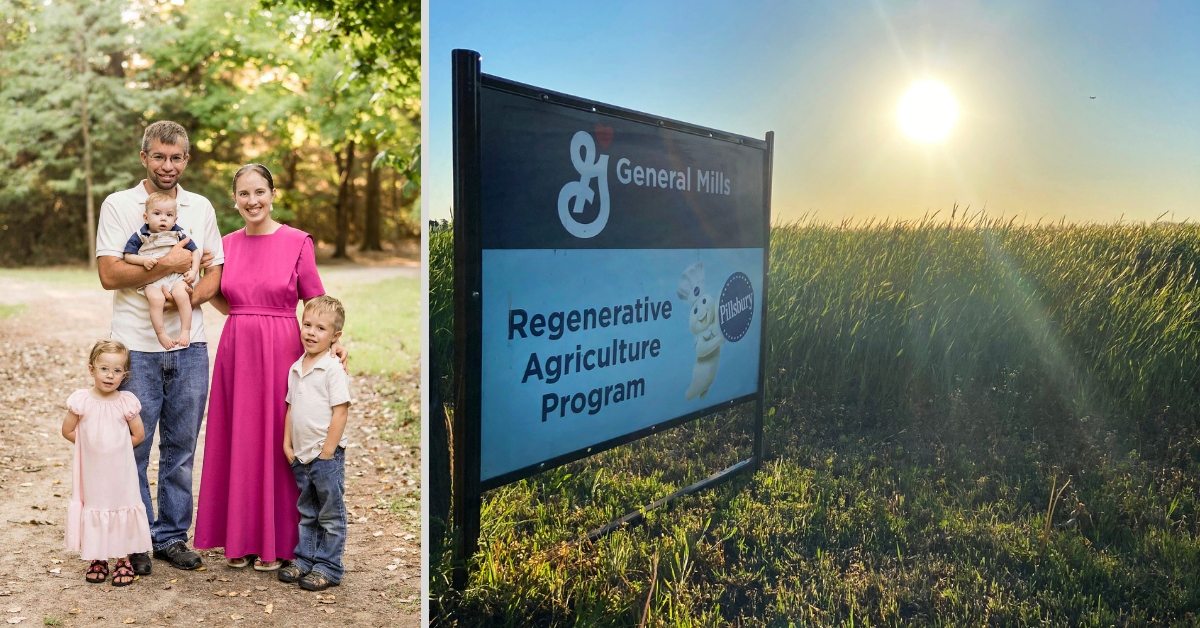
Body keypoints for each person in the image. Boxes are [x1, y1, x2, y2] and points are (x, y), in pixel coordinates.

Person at [195, 163, 345, 571]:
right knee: (239, 439)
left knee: (281, 441)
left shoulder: (298, 241)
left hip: (282, 349)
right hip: (237, 349)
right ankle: (239, 539)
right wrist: (245, 316)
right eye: (243, 194)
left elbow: (316, 304)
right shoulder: (225, 243)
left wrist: (334, 344)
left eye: (259, 191)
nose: (252, 200)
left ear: (273, 194)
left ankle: (279, 542)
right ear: (235, 200)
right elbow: (218, 295)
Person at [95, 120, 223, 575]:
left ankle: (170, 536)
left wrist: (182, 293)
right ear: (144, 157)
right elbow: (110, 273)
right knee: (135, 446)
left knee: (182, 448)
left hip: (190, 345)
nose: (167, 165)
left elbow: (214, 274)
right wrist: (166, 265)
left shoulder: (201, 207)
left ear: (186, 160)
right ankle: (135, 539)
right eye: (159, 157)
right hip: (135, 348)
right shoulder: (119, 205)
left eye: (176, 157)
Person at [61, 340, 151, 587]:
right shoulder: (81, 401)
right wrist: (91, 448)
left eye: (117, 370)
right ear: (91, 369)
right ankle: (98, 558)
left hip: (120, 472)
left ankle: (123, 559)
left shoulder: (126, 401)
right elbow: (68, 430)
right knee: (97, 505)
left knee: (120, 505)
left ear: (125, 375)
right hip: (93, 471)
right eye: (104, 369)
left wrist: (116, 450)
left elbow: (138, 435)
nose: (110, 375)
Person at [278, 296, 352, 591]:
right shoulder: (297, 367)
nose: (311, 332)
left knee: (331, 514)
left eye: (320, 328)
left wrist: (327, 453)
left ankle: (330, 566)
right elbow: (291, 407)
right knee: (308, 510)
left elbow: (341, 411)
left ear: (335, 337)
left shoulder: (333, 369)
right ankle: (305, 559)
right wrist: (287, 445)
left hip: (325, 455)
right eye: (307, 324)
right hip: (302, 454)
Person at [121, 191, 202, 349]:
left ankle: (185, 330)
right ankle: (161, 334)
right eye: (157, 213)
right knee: (156, 300)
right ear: (146, 217)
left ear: (175, 219)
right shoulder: (141, 235)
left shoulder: (178, 234)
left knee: (182, 294)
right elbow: (128, 255)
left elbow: (196, 251)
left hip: (175, 277)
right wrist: (143, 259)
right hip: (152, 279)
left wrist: (194, 271)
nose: (163, 218)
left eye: (169, 215)